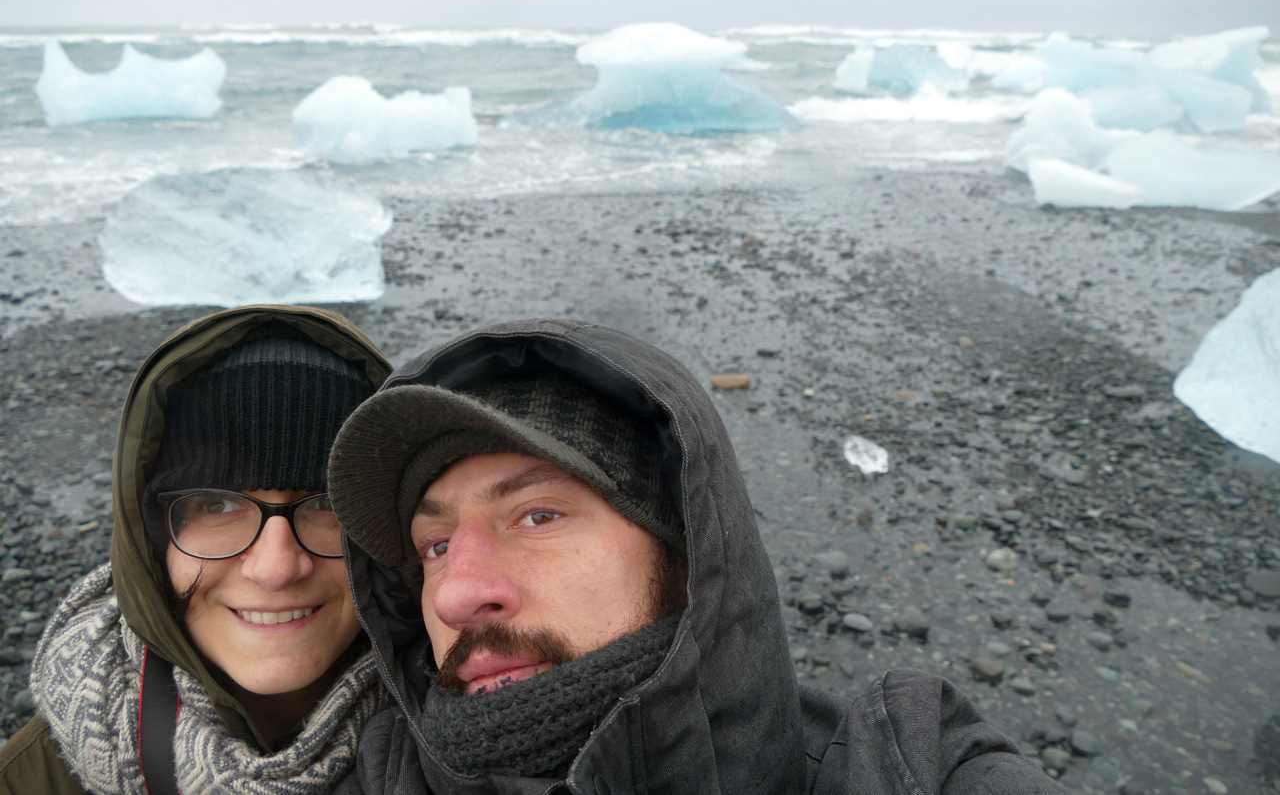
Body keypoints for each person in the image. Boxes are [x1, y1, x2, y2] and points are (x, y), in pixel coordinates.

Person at [328, 317, 1069, 794]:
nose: (457, 595)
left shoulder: (902, 766)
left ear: (688, 556)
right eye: (436, 545)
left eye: (538, 515)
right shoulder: (359, 770)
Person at [0, 305, 391, 795]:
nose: (276, 568)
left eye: (327, 503)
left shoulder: (471, 736)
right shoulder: (28, 779)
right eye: (216, 504)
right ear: (148, 541)